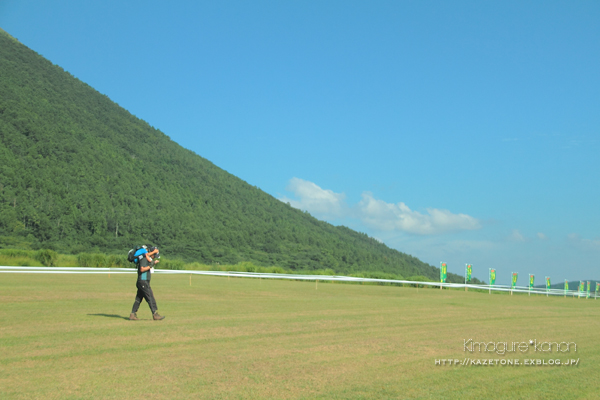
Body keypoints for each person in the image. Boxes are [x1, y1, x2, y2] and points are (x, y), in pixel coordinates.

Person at [129, 246, 165, 320]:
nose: (154, 257)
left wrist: (152, 263)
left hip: (143, 282)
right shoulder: (144, 259)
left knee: (138, 299)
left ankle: (132, 314)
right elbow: (142, 269)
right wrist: (151, 265)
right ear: (151, 254)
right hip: (143, 281)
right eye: (154, 256)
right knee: (150, 297)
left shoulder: (146, 258)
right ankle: (155, 314)